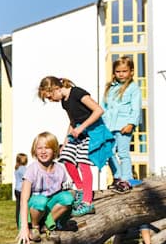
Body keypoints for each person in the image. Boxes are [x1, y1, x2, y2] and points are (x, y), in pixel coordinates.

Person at [38, 76, 113, 217]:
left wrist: (81, 128)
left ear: (55, 88)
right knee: (66, 157)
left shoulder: (78, 93)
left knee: (83, 163)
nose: (51, 100)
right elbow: (72, 121)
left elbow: (98, 110)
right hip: (79, 132)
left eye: (50, 96)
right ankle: (80, 189)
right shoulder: (64, 102)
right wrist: (65, 143)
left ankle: (87, 202)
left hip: (93, 131)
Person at [17, 132, 74, 244]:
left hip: (48, 209)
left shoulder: (60, 169)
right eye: (39, 148)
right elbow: (23, 200)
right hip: (33, 209)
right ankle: (35, 227)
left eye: (47, 148)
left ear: (54, 150)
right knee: (41, 200)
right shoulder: (32, 170)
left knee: (68, 197)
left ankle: (48, 226)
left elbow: (61, 195)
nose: (43, 151)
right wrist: (24, 227)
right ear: (35, 150)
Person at [102, 56, 141, 194]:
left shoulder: (133, 88)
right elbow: (104, 107)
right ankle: (117, 176)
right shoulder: (110, 88)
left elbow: (136, 108)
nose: (121, 74)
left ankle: (127, 178)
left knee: (123, 153)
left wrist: (131, 123)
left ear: (131, 71)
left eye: (124, 71)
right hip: (109, 126)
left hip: (124, 125)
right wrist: (102, 124)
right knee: (108, 152)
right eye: (118, 71)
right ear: (114, 72)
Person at [14, 153, 28, 227]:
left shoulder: (17, 168)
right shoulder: (24, 169)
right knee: (23, 207)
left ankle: (18, 223)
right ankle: (22, 223)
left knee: (18, 207)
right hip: (22, 190)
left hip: (16, 189)